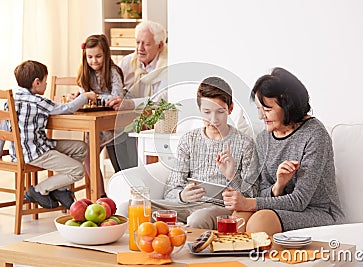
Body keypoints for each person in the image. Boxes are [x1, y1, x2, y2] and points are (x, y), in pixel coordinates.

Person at [222, 67, 344, 235]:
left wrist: (248, 203)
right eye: (258, 109)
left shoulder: (315, 135)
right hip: (283, 208)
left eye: (267, 109)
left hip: (319, 212)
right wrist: (278, 186)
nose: (260, 116)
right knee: (238, 220)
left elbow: (300, 201)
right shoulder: (264, 139)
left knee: (260, 222)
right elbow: (261, 191)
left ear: (288, 106)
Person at [156, 76, 257, 229]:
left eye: (220, 112)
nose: (213, 119)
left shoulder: (245, 144)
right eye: (207, 112)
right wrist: (182, 196)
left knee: (198, 219)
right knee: (131, 207)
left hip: (219, 209)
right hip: (187, 205)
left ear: (230, 109)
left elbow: (252, 195)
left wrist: (232, 176)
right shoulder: (189, 140)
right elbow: (170, 190)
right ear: (199, 110)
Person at [0, 60, 96, 209]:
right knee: (78, 170)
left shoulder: (10, 101)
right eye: (45, 81)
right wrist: (85, 96)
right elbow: (67, 109)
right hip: (36, 153)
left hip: (27, 150)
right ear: (37, 82)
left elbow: (3, 131)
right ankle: (38, 190)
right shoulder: (38, 102)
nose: (46, 84)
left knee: (81, 147)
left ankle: (61, 189)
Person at [105, 20, 168, 172]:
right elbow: (111, 85)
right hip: (129, 118)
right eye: (137, 42)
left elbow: (162, 99)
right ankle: (123, 176)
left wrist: (131, 104)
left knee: (128, 129)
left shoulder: (168, 65)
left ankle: (138, 175)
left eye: (146, 44)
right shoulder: (127, 62)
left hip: (158, 119)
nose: (140, 48)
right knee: (110, 130)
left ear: (159, 45)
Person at [75, 34, 125, 197]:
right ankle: (101, 196)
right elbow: (84, 96)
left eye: (98, 56)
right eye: (90, 57)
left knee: (119, 164)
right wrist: (82, 97)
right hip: (94, 125)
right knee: (88, 157)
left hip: (113, 124)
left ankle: (122, 194)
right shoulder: (84, 73)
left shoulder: (113, 72)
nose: (94, 61)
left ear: (105, 55)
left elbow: (116, 97)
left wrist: (93, 97)